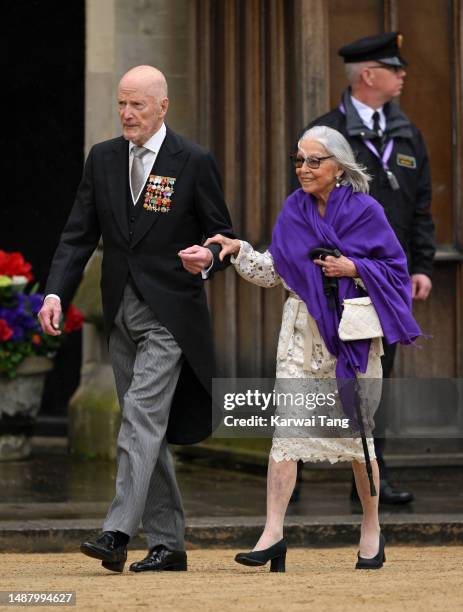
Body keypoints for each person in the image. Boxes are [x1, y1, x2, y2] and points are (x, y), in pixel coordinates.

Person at [38, 65, 234, 573]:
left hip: (171, 315)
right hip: (119, 314)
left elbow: (223, 236)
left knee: (140, 420)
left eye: (138, 105)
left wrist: (209, 257)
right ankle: (169, 544)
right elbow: (78, 234)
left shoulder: (193, 161)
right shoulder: (102, 158)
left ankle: (116, 531)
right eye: (122, 104)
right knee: (147, 431)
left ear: (162, 106)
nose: (127, 113)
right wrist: (56, 292)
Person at [200, 126, 421, 571]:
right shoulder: (294, 210)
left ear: (338, 167)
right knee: (286, 435)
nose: (303, 168)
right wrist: (237, 250)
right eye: (298, 160)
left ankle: (372, 529)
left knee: (359, 443)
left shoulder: (366, 210)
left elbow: (396, 272)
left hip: (352, 338)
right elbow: (274, 272)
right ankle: (273, 533)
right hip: (301, 333)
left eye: (313, 161)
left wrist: (352, 266)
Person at [295, 32, 436, 504]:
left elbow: (419, 206)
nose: (403, 77)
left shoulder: (406, 132)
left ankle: (373, 480)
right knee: (315, 373)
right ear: (369, 75)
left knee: (376, 377)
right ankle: (289, 470)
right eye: (395, 70)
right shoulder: (325, 135)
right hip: (333, 278)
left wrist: (420, 265)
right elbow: (304, 206)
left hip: (384, 280)